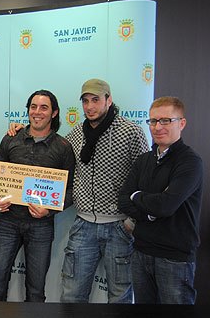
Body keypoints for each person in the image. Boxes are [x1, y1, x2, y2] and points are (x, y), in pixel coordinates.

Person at [59, 79, 149, 303]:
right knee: (72, 294)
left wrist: (131, 222)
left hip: (119, 227)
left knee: (120, 295)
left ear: (109, 100)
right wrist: (20, 131)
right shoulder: (76, 134)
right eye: (85, 101)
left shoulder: (131, 132)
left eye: (95, 100)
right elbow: (55, 157)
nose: (89, 106)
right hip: (83, 225)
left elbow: (145, 179)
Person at [0, 90, 75, 302]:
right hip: (8, 221)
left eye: (44, 107)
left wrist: (49, 210)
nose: (37, 112)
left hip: (41, 225)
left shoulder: (63, 147)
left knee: (35, 290)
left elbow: (71, 189)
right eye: (33, 107)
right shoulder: (11, 139)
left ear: (54, 113)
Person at [118, 97, 203, 304]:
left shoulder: (190, 162)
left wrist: (137, 196)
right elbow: (123, 200)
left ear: (181, 123)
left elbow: (165, 206)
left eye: (166, 120)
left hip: (174, 258)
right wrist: (149, 210)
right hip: (141, 251)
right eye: (153, 121)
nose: (157, 127)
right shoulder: (143, 160)